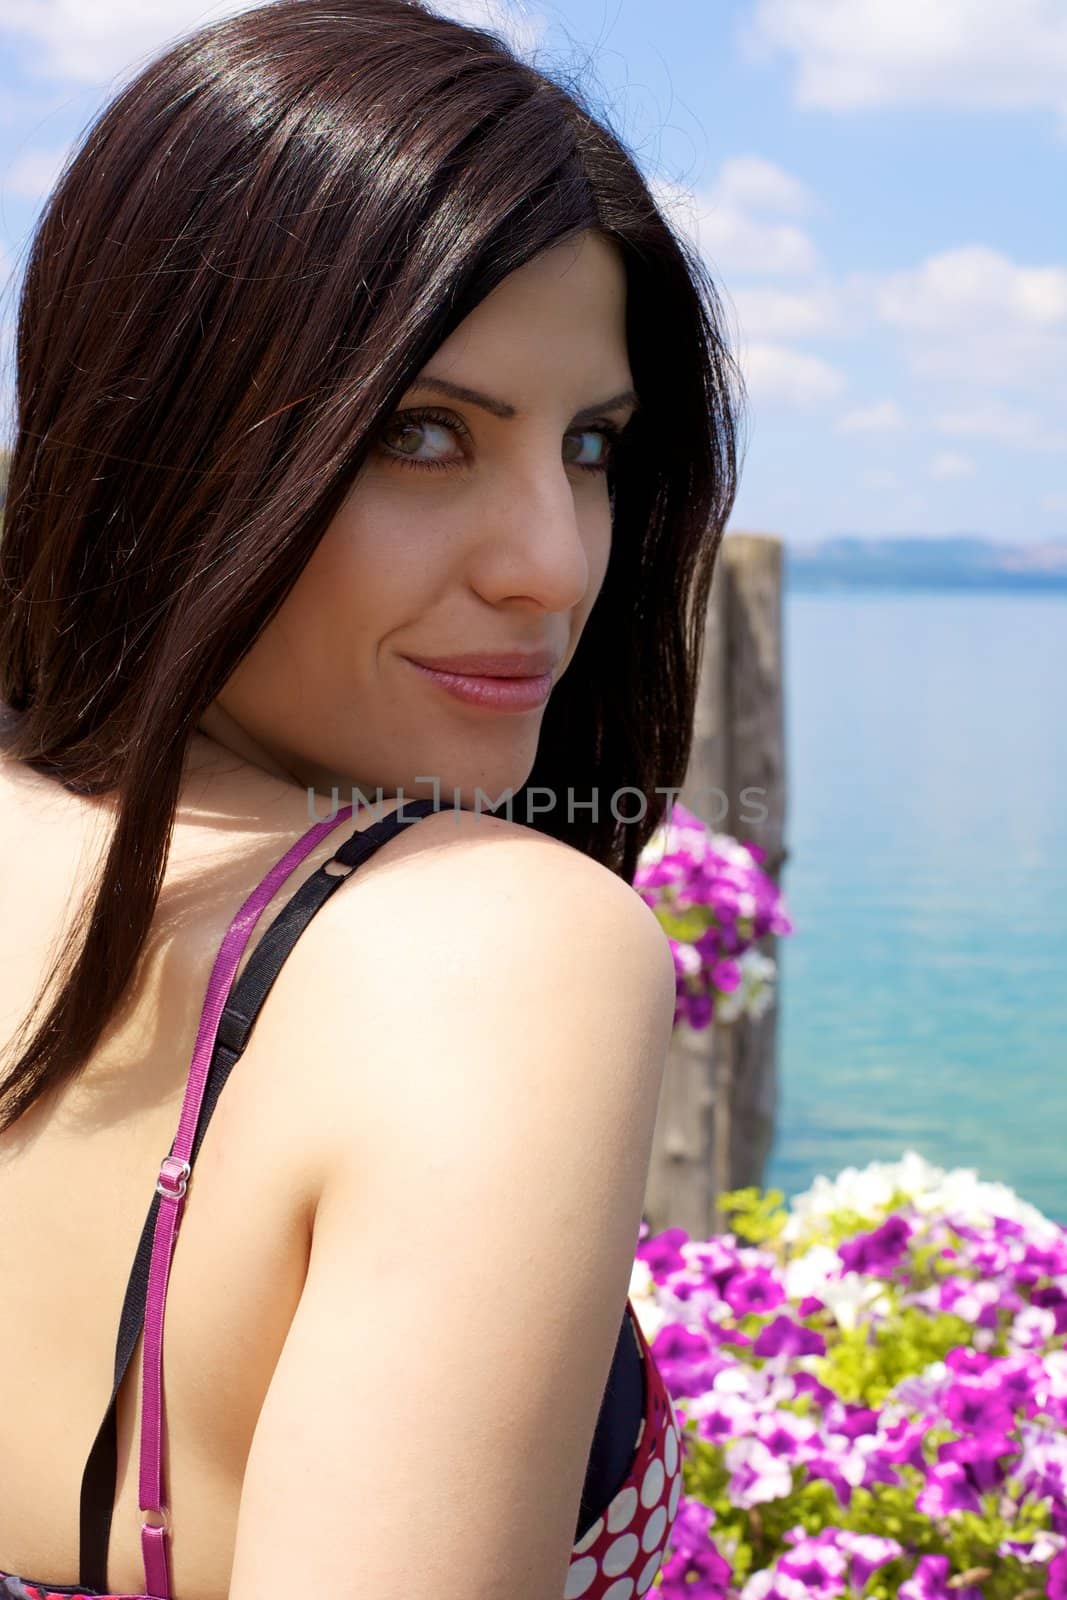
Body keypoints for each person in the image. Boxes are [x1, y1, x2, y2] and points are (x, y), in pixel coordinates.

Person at [0, 2, 743, 1596]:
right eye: (425, 435)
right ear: (169, 435)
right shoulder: (490, 959)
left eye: (596, 444)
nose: (553, 561)